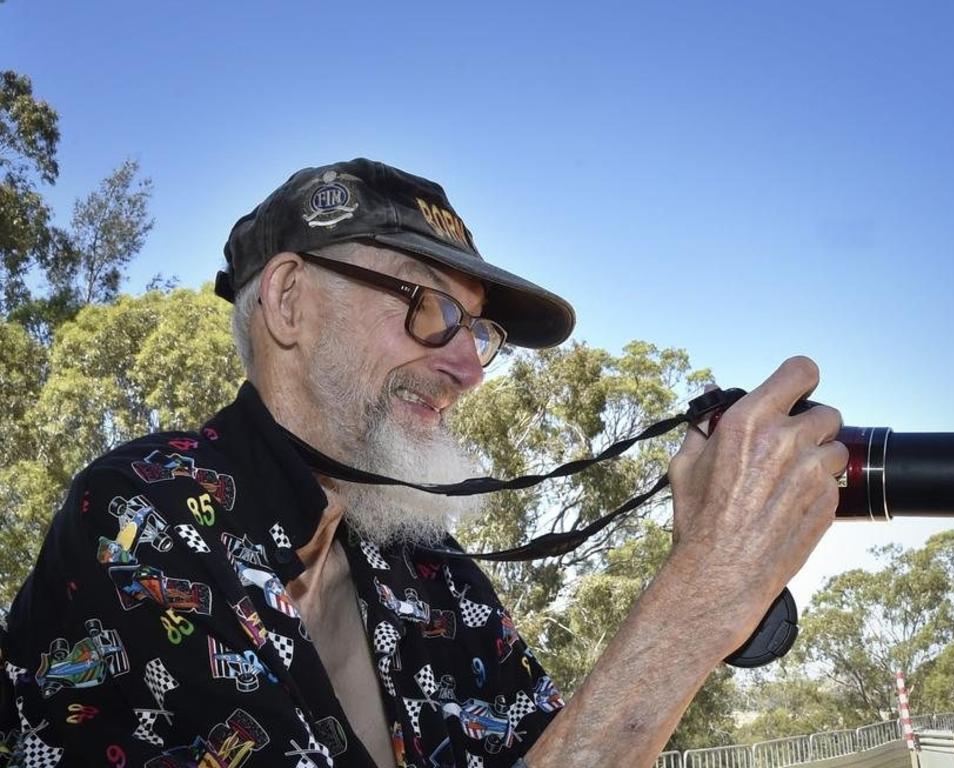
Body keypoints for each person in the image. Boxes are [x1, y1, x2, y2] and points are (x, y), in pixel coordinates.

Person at [0, 158, 847, 768]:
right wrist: (699, 600)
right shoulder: (141, 514)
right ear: (290, 301)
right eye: (427, 307)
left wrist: (717, 579)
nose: (469, 365)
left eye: (478, 331)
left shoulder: (427, 570)